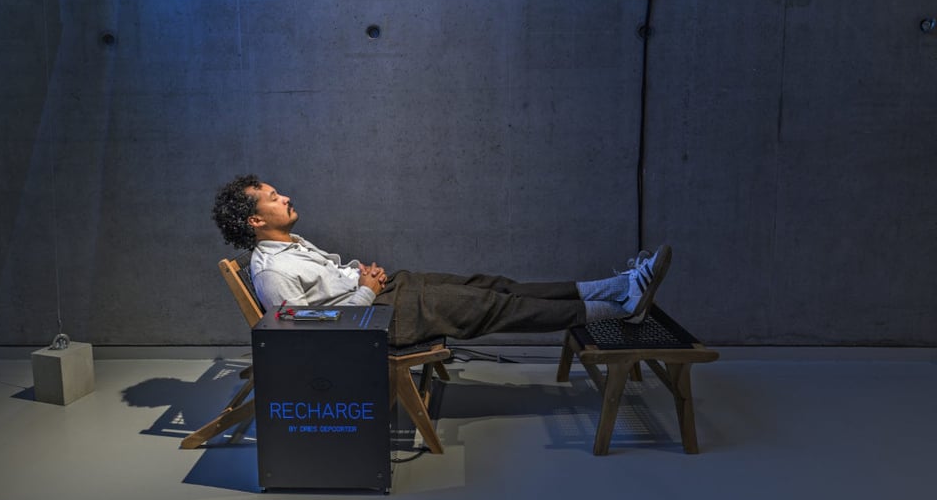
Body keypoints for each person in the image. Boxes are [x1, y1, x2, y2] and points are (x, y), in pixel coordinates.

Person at [212, 174, 672, 347]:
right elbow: (304, 331)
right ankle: (623, 307)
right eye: (274, 198)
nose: (285, 196)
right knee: (496, 308)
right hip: (374, 324)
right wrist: (366, 290)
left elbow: (326, 285)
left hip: (384, 296)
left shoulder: (289, 245)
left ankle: (618, 286)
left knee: (492, 285)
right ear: (256, 220)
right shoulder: (271, 273)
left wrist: (357, 274)